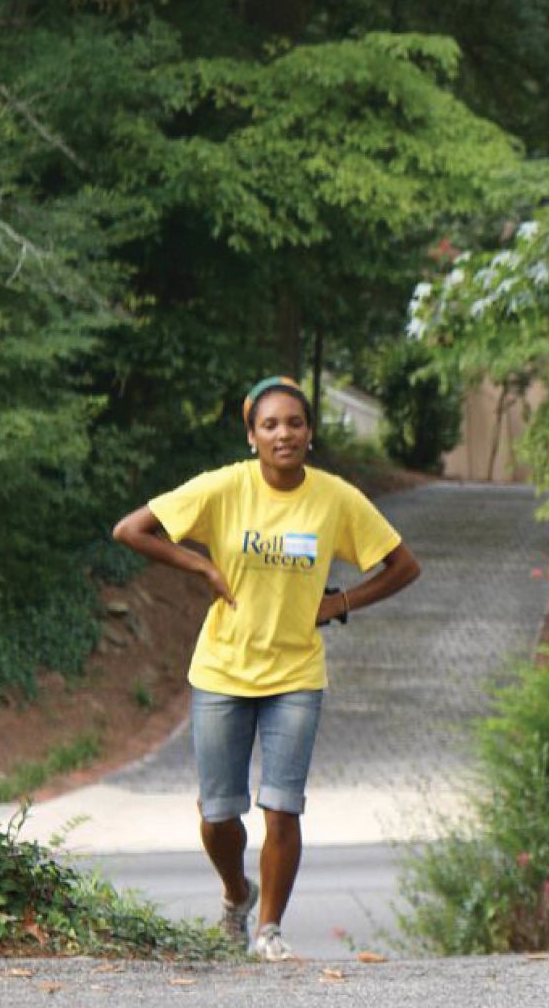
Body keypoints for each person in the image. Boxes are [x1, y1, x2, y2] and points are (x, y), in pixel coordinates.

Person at [112, 376, 421, 961]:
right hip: (223, 670)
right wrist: (200, 567)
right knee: (218, 812)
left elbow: (404, 564)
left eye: (295, 423)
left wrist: (343, 602)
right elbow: (131, 530)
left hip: (296, 675)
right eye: (271, 425)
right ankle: (236, 894)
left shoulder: (335, 499)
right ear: (251, 435)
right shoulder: (225, 487)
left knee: (283, 805)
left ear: (309, 433)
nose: (285, 434)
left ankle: (268, 933)